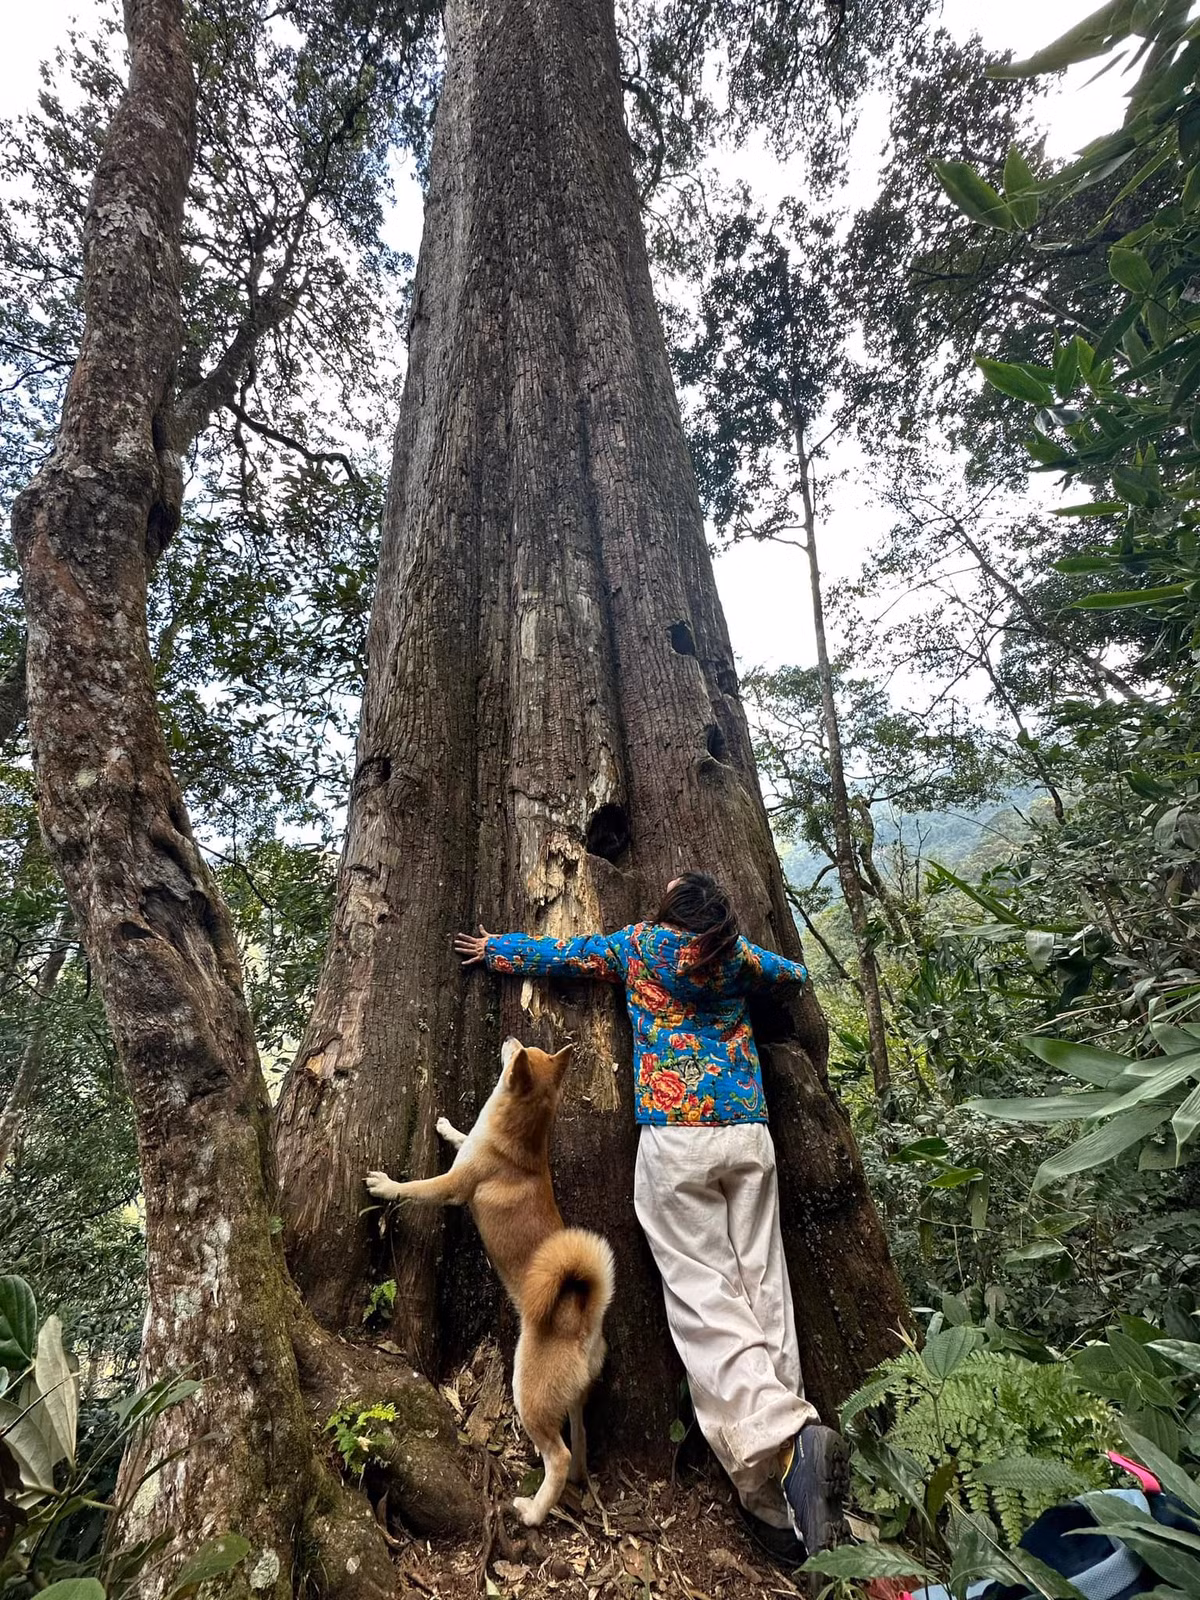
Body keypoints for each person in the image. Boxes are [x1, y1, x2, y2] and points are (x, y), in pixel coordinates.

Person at [454, 871, 848, 1564]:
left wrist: (495, 950)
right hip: (749, 1138)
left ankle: (785, 1438)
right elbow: (794, 974)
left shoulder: (639, 946)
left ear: (669, 907)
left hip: (678, 1140)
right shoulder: (737, 957)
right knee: (765, 1293)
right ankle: (777, 1497)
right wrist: (750, 965)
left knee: (705, 1298)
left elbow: (564, 955)